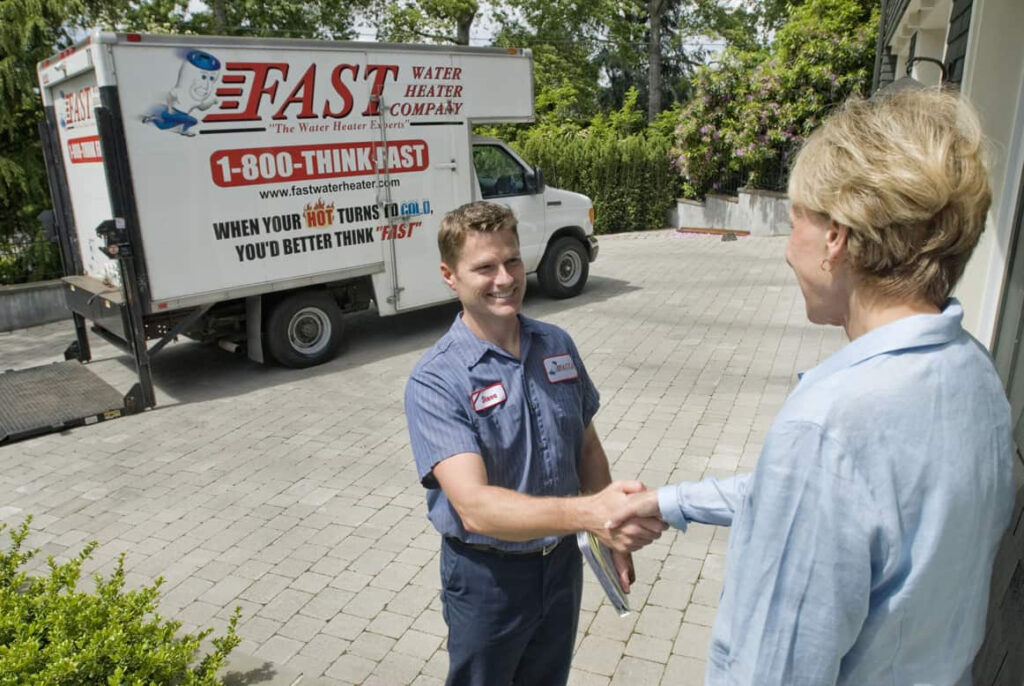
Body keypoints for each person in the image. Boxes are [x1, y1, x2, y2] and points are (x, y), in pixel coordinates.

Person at [610, 89, 1015, 684]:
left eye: (796, 218)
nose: (787, 246)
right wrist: (668, 503)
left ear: (836, 237)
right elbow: (837, 496)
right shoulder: (973, 369)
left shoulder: (830, 424)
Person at [404, 201, 666, 686]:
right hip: (488, 580)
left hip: (561, 567)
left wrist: (612, 531)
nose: (504, 278)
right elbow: (476, 509)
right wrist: (590, 516)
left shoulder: (557, 345)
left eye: (512, 260)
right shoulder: (437, 380)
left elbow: (586, 447)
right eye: (484, 267)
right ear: (449, 275)